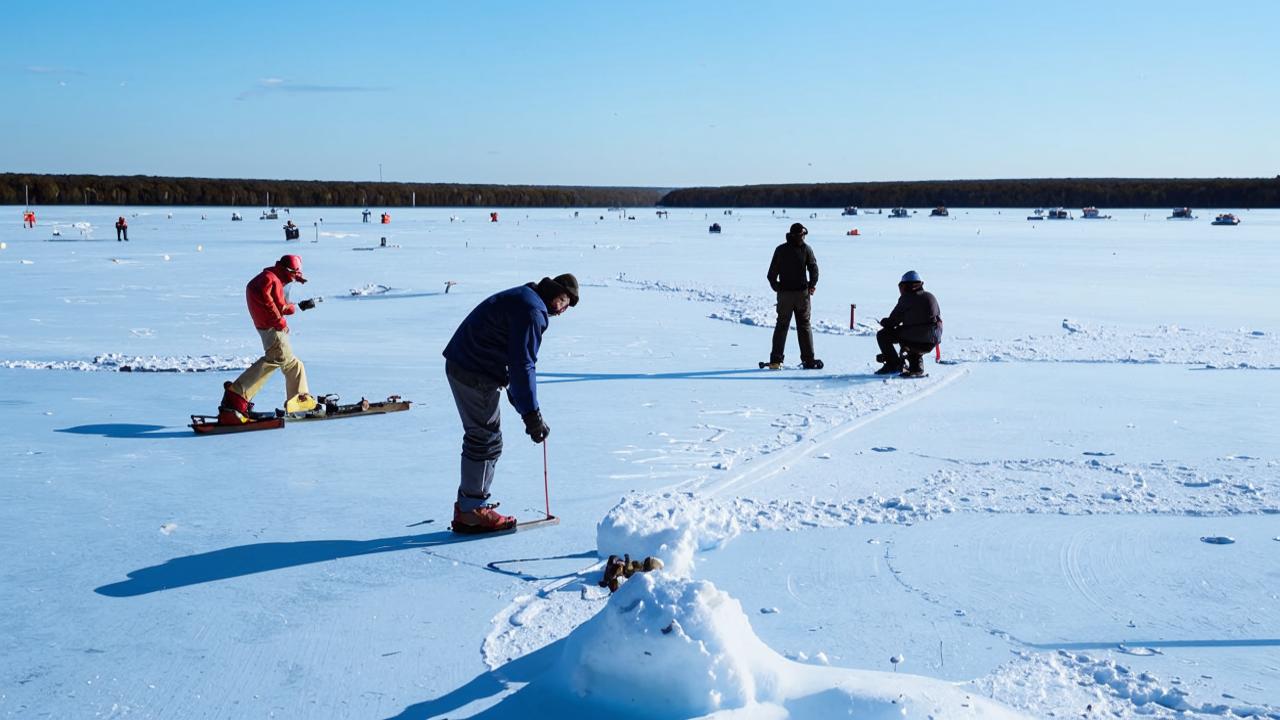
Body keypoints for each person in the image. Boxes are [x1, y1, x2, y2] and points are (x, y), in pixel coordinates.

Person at [442, 273, 579, 533]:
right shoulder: (532, 311)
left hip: (466, 362)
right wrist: (531, 415)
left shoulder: (527, 298)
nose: (562, 309)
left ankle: (470, 506)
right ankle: (472, 511)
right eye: (562, 300)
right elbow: (522, 365)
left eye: (567, 305)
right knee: (485, 438)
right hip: (474, 370)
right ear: (552, 293)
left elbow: (515, 363)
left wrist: (526, 409)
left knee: (484, 436)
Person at [218, 255, 318, 423]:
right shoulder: (269, 279)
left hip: (268, 326)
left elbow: (280, 304)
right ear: (288, 271)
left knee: (293, 365)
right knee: (276, 358)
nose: (295, 278)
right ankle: (236, 396)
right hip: (272, 328)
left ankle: (298, 401)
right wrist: (280, 322)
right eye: (294, 274)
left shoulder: (273, 277)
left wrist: (298, 306)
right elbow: (269, 304)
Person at [765, 222, 822, 369]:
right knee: (804, 326)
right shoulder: (806, 249)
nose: (803, 237)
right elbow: (814, 270)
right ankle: (809, 360)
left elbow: (771, 275)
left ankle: (776, 360)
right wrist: (811, 285)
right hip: (801, 295)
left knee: (782, 326)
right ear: (800, 235)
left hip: (786, 294)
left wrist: (778, 288)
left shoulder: (781, 249)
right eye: (803, 234)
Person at [875, 271, 943, 377]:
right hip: (932, 340)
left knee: (883, 335)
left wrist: (884, 322)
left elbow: (893, 321)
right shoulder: (930, 296)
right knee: (911, 333)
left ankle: (893, 364)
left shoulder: (907, 299)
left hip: (915, 338)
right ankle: (916, 367)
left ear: (906, 286)